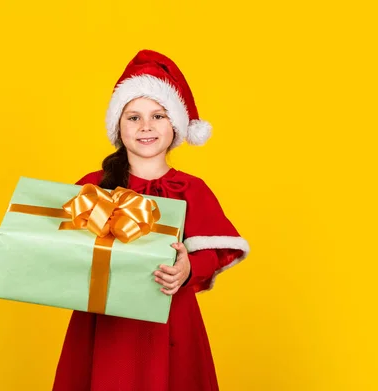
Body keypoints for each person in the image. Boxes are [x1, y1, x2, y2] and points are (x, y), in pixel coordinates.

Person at [52, 49, 250, 391]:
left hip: (171, 324)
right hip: (105, 323)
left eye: (158, 116)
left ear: (175, 124)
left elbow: (214, 252)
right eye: (133, 117)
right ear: (118, 125)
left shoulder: (191, 189)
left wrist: (188, 268)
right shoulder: (93, 185)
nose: (146, 126)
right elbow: (62, 245)